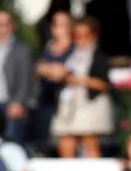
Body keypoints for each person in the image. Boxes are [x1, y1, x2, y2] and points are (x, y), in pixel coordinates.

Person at [51, 16, 114, 158]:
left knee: (90, 141)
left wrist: (79, 80)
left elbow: (104, 84)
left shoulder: (99, 56)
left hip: (89, 104)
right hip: (69, 104)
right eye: (77, 35)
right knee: (66, 141)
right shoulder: (69, 54)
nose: (81, 39)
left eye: (85, 35)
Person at [33, 11, 74, 152]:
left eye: (62, 24)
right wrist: (51, 70)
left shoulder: (74, 49)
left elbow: (62, 73)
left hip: (67, 102)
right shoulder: (48, 47)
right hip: (46, 99)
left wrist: (47, 70)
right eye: (55, 24)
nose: (58, 28)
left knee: (65, 139)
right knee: (44, 140)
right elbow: (36, 69)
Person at [0, 10, 34, 146]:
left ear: (11, 26)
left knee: (11, 143)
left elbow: (25, 79)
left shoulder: (21, 50)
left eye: (4, 24)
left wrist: (18, 102)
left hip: (10, 103)